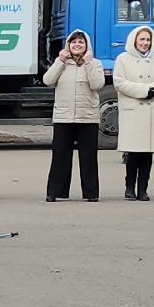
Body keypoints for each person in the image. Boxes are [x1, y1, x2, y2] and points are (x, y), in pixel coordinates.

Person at [43, 29, 105, 202]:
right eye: (74, 42)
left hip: (87, 116)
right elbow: (48, 80)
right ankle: (56, 192)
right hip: (63, 116)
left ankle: (91, 193)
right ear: (68, 45)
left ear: (87, 45)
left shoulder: (95, 63)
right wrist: (60, 61)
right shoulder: (62, 63)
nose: (77, 45)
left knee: (88, 157)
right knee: (60, 156)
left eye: (81, 42)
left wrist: (89, 63)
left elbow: (97, 84)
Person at [113, 25, 154, 201]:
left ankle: (143, 189)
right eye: (142, 39)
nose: (145, 43)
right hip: (133, 111)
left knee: (147, 154)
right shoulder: (123, 59)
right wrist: (144, 91)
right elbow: (119, 82)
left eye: (148, 39)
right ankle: (129, 186)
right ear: (134, 40)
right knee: (134, 153)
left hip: (152, 111)